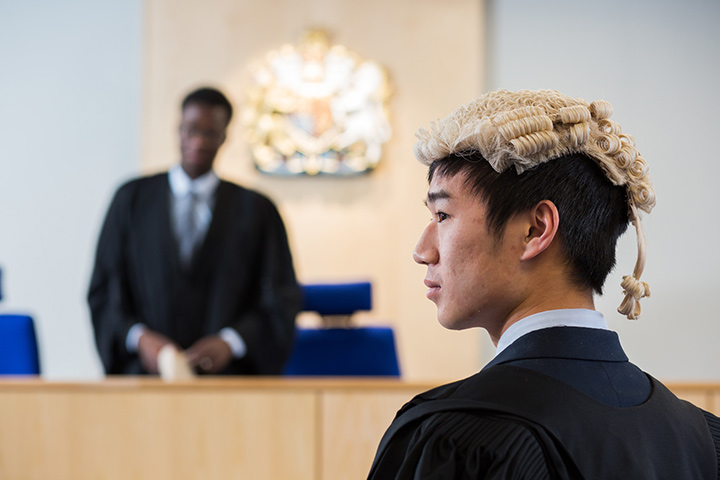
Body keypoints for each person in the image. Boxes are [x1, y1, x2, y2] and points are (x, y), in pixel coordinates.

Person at [368, 89, 720, 478]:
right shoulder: (701, 436)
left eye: (442, 216)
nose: (422, 250)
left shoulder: (457, 437)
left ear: (536, 229)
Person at [88, 87, 301, 375]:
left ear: (224, 136)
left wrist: (232, 342)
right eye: (191, 130)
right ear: (178, 129)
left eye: (210, 133)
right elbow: (104, 289)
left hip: (230, 383)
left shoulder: (258, 211)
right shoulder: (131, 200)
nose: (198, 141)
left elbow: (280, 297)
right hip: (144, 379)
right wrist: (139, 338)